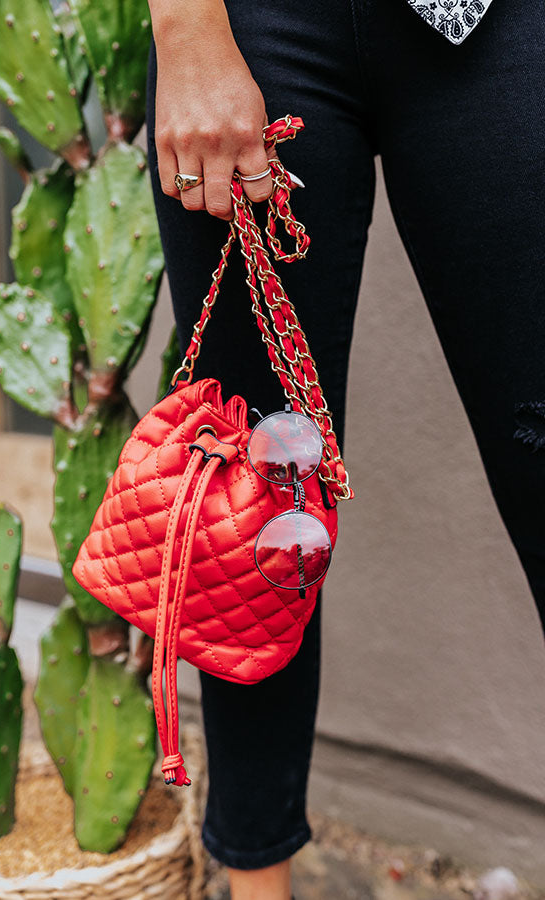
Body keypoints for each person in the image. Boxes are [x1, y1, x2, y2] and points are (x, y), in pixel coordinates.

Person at [145, 2, 545, 898]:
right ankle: (257, 885)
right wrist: (183, 28)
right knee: (257, 504)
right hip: (255, 23)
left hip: (497, 21)